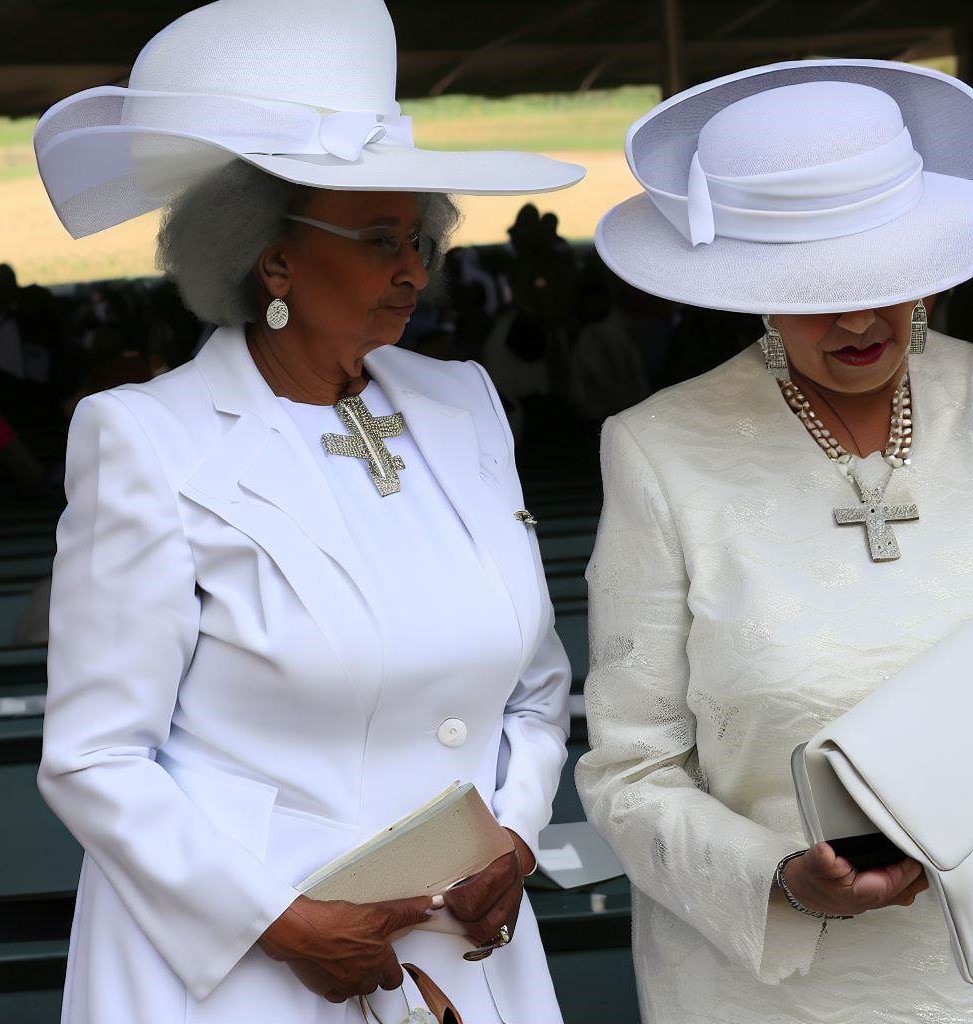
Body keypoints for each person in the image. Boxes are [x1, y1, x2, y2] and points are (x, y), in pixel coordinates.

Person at [34, 2, 584, 1022]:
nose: (415, 267)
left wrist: (513, 831)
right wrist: (274, 919)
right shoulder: (146, 437)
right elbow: (95, 755)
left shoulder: (460, 404)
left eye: (420, 234)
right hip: (242, 970)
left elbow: (536, 686)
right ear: (269, 257)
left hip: (469, 953)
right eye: (379, 237)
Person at [576, 60, 973, 1022]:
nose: (852, 316)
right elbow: (628, 768)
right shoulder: (659, 451)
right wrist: (786, 879)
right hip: (780, 989)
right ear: (747, 282)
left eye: (882, 278)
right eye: (810, 287)